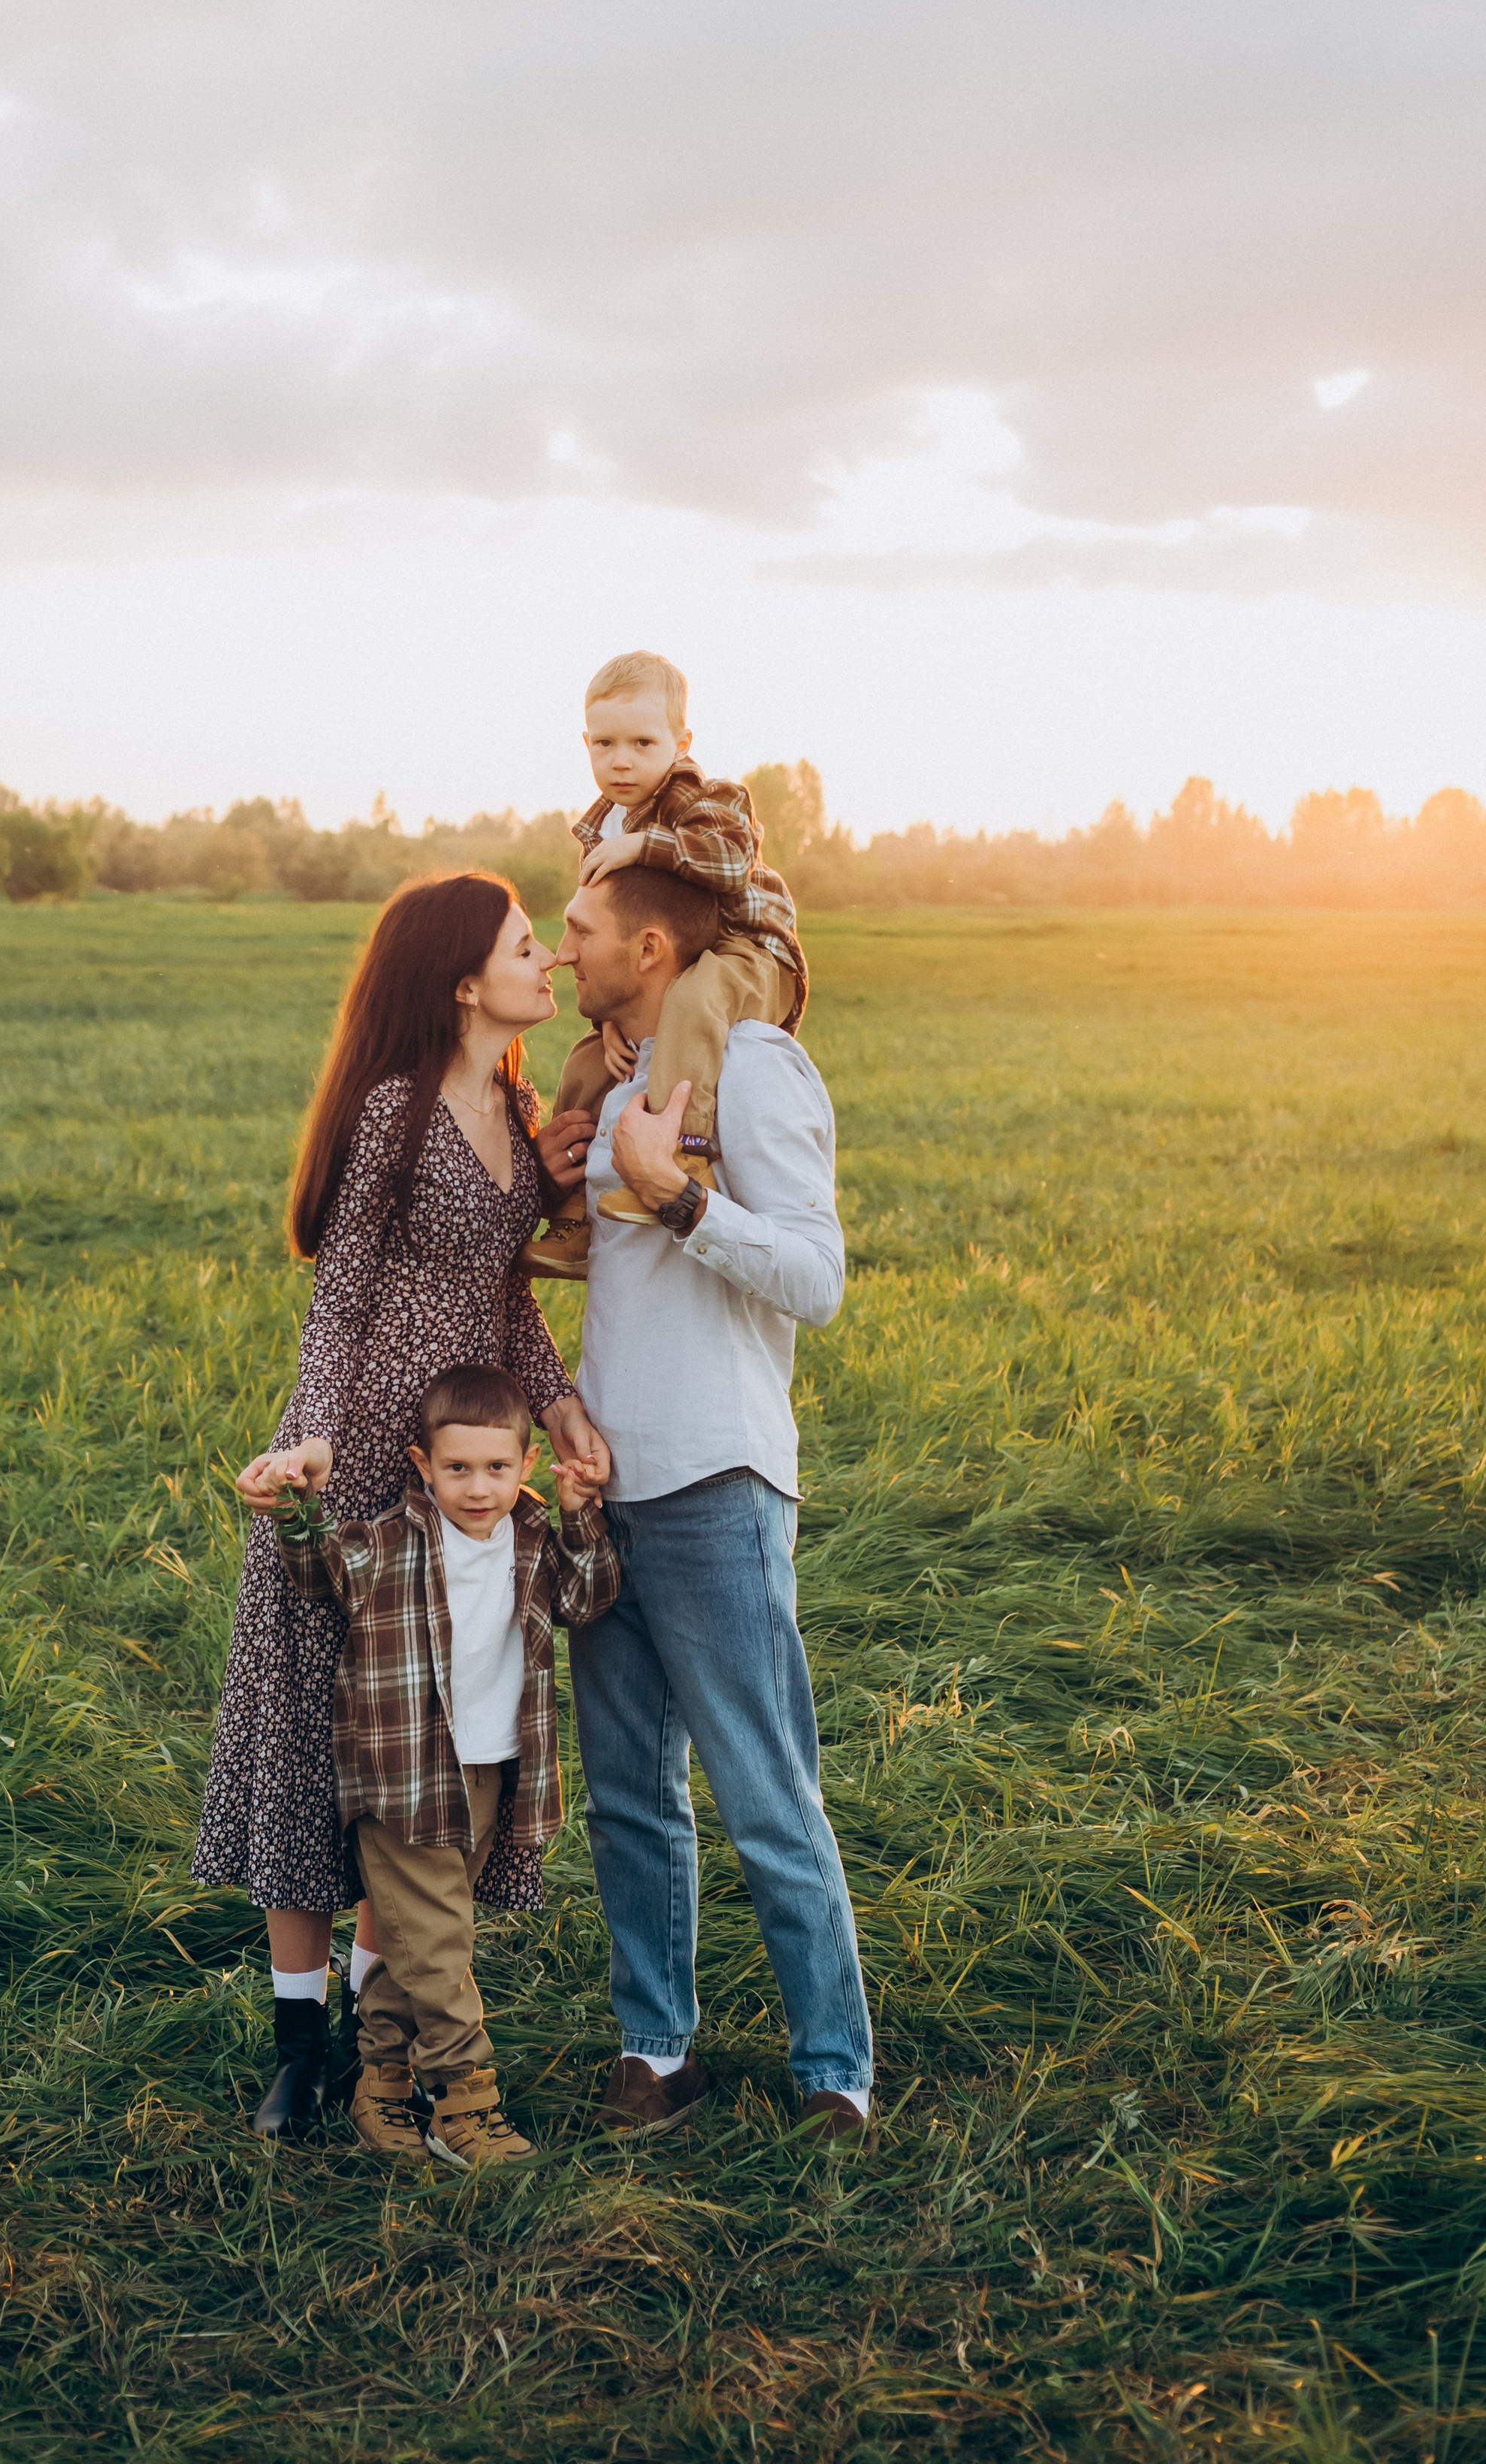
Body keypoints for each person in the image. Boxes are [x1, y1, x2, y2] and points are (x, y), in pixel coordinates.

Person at [192, 873, 612, 2139]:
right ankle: (297, 2049)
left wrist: (567, 1409)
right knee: (308, 1764)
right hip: (356, 1463)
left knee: (415, 1756)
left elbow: (511, 1301)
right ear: (461, 982)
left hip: (462, 1480)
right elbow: (342, 1287)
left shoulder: (513, 1099)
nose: (551, 965)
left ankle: (382, 2048)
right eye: (526, 947)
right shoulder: (397, 1108)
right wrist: (316, 1434)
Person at [545, 862, 874, 2145]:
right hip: (605, 1481)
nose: (563, 950)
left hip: (720, 1482)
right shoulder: (612, 1080)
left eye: (578, 931)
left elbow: (817, 1276)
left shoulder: (756, 1065)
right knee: (629, 1792)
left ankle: (835, 2068)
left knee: (762, 1789)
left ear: (648, 943)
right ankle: (656, 2049)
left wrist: (679, 1194)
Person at [256, 1363, 619, 2169]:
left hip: (491, 1772)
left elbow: (588, 1599)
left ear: (524, 1465)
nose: (478, 1488)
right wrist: (295, 1502)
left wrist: (577, 1516)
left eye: (496, 1468)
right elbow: (317, 1571)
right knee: (444, 1947)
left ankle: (379, 2084)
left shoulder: (531, 1540)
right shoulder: (389, 1542)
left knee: (415, 1947)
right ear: (423, 1464)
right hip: (403, 1777)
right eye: (457, 1468)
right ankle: (466, 2103)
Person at [527, 648, 806, 1280]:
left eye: (642, 742)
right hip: (681, 960)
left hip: (750, 951)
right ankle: (573, 1206)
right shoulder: (601, 830)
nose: (620, 760)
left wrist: (644, 845)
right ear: (586, 742)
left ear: (680, 743)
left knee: (693, 1003)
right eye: (604, 743)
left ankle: (686, 1157)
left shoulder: (707, 799)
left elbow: (731, 864)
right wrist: (609, 1021)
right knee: (588, 1059)